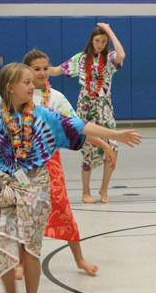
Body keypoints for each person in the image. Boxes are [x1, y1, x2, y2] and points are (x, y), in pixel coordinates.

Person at [0, 62, 141, 293]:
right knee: (2, 244)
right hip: (6, 187)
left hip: (36, 187)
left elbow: (80, 126)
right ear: (10, 88)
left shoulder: (42, 115)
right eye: (26, 82)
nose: (31, 85)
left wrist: (114, 134)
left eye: (32, 81)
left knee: (29, 248)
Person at [0, 49, 109, 278]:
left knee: (63, 210)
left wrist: (106, 144)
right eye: (35, 69)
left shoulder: (56, 98)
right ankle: (19, 261)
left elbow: (76, 125)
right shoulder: (13, 95)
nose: (41, 73)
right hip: (19, 165)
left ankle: (79, 258)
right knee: (19, 212)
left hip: (50, 164)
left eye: (45, 68)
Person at [48, 23, 125, 204]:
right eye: (98, 40)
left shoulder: (110, 59)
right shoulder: (81, 59)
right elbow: (57, 70)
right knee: (87, 149)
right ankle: (86, 191)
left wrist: (110, 31)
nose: (100, 44)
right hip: (85, 107)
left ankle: (104, 189)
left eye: (104, 41)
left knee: (112, 147)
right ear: (92, 40)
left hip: (104, 106)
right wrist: (38, 71)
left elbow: (121, 55)